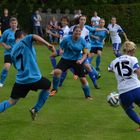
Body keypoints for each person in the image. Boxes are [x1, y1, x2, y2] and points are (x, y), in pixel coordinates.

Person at [0, 29, 55, 120]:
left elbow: (16, 66)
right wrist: (48, 44)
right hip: (34, 78)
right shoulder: (24, 41)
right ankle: (35, 109)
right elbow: (34, 36)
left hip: (21, 80)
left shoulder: (13, 51)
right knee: (49, 86)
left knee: (11, 101)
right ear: (21, 36)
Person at [50, 25, 92, 100]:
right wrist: (61, 50)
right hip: (66, 59)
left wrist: (81, 60)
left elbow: (85, 53)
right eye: (76, 31)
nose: (78, 32)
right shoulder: (67, 39)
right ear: (73, 32)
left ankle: (88, 95)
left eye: (79, 31)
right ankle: (54, 89)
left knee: (82, 79)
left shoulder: (82, 41)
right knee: (57, 72)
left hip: (77, 61)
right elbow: (61, 46)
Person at [108, 41, 140, 131]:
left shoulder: (114, 61)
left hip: (123, 90)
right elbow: (138, 72)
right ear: (133, 50)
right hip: (136, 87)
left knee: (127, 109)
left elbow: (109, 69)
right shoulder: (133, 59)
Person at [0, 17, 18, 87]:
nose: (14, 24)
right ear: (10, 24)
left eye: (15, 23)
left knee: (21, 68)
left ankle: (22, 82)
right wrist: (6, 46)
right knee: (6, 67)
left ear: (17, 24)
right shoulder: (6, 32)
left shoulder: (19, 32)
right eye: (12, 23)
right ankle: (1, 82)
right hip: (8, 53)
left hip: (17, 53)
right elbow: (1, 41)